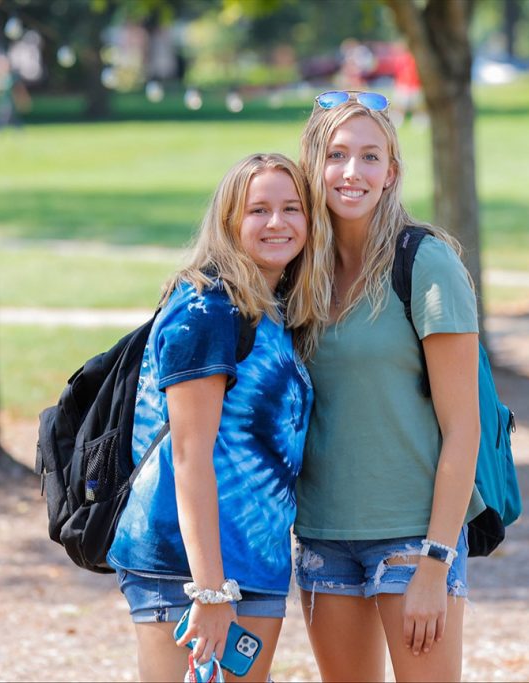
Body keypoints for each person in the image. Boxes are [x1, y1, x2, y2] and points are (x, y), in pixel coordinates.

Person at [106, 153, 329, 682]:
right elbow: (188, 456)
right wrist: (208, 590)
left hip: (257, 561)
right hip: (185, 569)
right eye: (259, 210)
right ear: (230, 221)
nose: (277, 223)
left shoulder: (273, 309)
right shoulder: (207, 308)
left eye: (292, 208)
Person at [294, 90, 483, 681]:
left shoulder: (426, 265)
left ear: (391, 172)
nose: (353, 172)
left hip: (412, 537)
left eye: (370, 157)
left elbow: (463, 428)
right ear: (312, 166)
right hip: (323, 533)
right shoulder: (298, 272)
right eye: (337, 154)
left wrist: (435, 561)